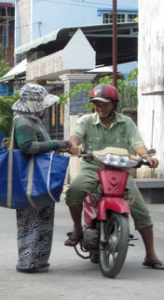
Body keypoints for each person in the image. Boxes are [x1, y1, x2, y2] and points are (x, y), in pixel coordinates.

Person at [65, 84, 164, 270]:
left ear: (114, 104)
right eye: (97, 104)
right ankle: (77, 228)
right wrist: (74, 145)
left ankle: (150, 254)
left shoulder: (126, 123)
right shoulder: (86, 121)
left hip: (122, 172)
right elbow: (75, 137)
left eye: (105, 104)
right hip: (93, 169)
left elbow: (138, 144)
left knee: (142, 211)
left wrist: (146, 157)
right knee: (74, 191)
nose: (100, 107)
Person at [11, 83, 70, 273]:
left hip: (39, 177)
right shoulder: (24, 122)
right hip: (29, 179)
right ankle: (27, 261)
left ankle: (39, 260)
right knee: (30, 219)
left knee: (43, 218)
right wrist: (56, 143)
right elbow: (26, 147)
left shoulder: (33, 121)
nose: (46, 108)